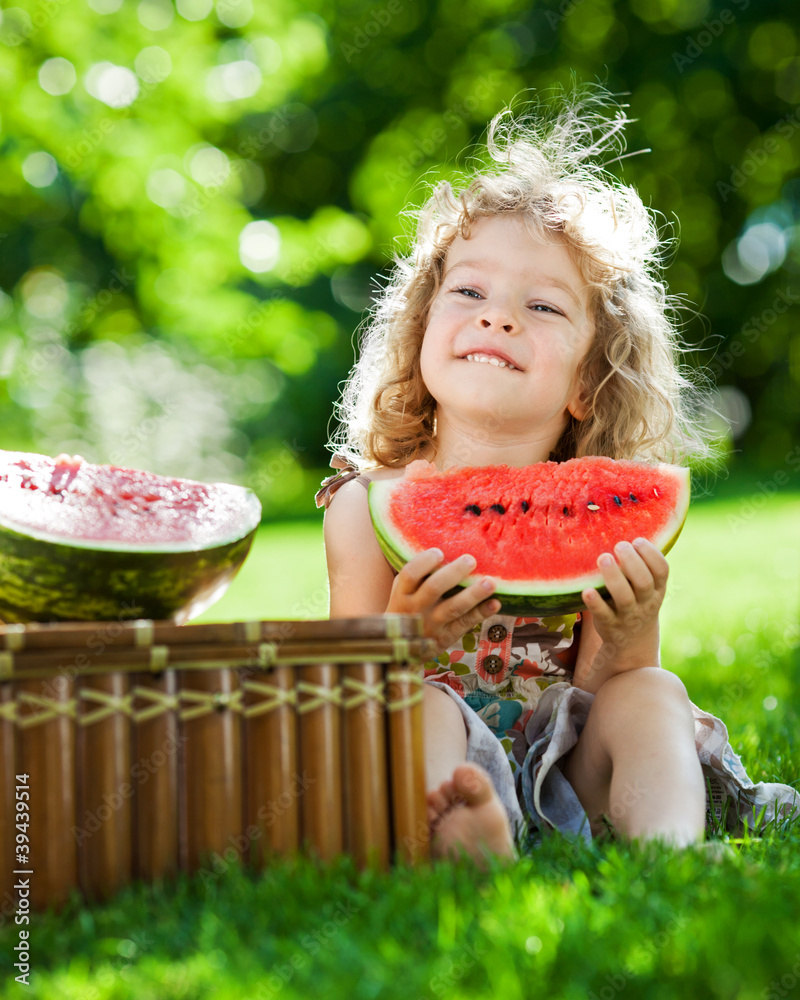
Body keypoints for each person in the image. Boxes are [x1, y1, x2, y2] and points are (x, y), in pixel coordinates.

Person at [316, 87, 799, 864]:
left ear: (587, 383)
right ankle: (469, 838)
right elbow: (345, 698)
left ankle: (668, 853)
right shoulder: (365, 510)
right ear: (420, 332)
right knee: (420, 709)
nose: (498, 316)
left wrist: (630, 630)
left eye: (542, 307)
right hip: (437, 763)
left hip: (569, 768)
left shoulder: (599, 513)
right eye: (468, 291)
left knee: (652, 694)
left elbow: (603, 687)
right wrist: (404, 638)